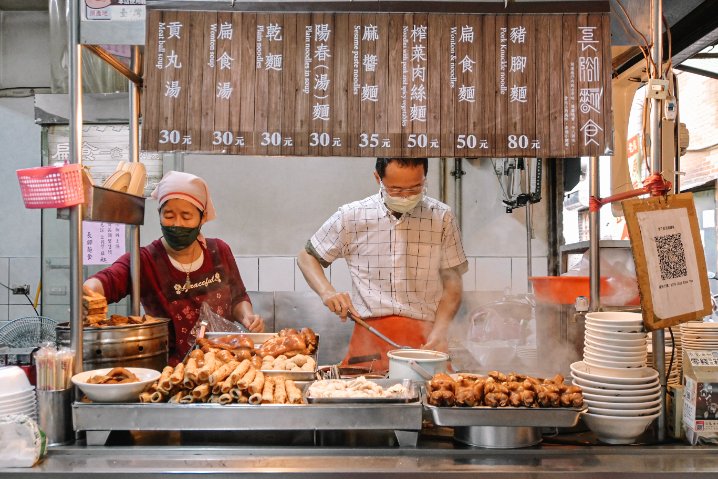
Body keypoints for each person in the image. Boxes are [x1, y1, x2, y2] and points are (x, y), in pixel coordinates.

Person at [297, 157, 467, 372]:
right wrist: (327, 292)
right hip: (369, 341)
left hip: (426, 342)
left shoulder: (442, 217)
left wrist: (441, 332)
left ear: (425, 178)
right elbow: (306, 256)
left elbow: (453, 284)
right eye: (396, 189)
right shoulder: (352, 216)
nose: (406, 196)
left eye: (416, 188)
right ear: (378, 178)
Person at [84, 171, 264, 365]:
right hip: (170, 373)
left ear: (202, 217)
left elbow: (238, 297)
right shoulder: (144, 260)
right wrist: (90, 291)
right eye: (169, 215)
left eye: (186, 216)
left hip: (224, 365)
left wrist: (247, 316)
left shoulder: (219, 251)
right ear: (159, 214)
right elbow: (106, 281)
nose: (177, 224)